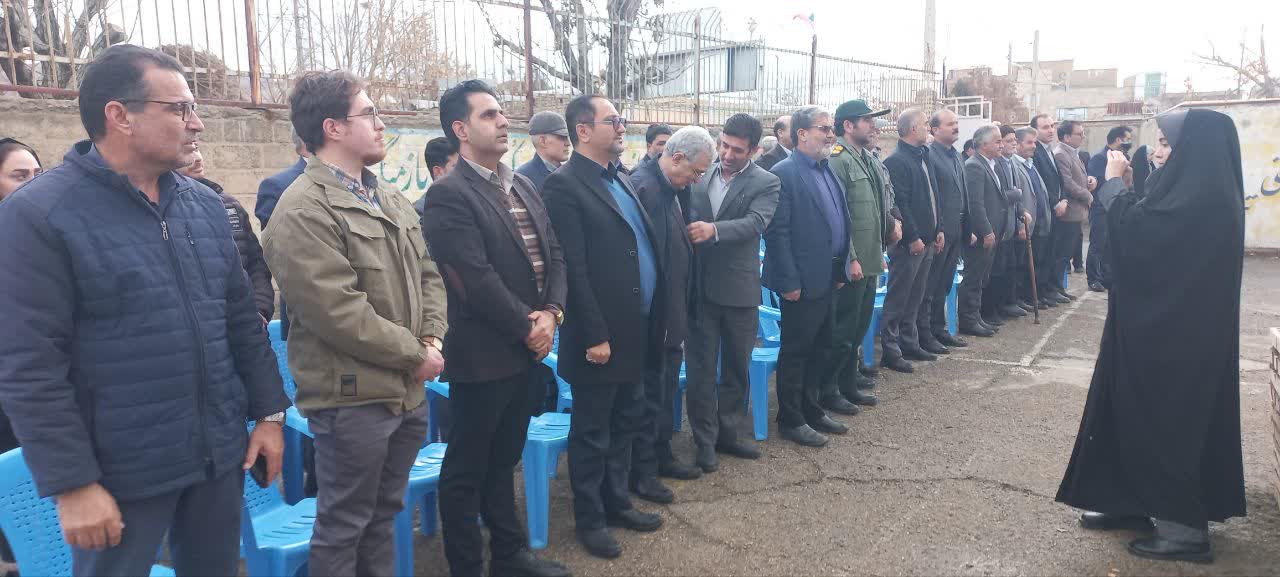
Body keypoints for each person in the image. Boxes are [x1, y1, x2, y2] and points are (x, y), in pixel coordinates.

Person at [0, 44, 289, 576]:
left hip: (216, 453)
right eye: (180, 108)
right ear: (120, 115)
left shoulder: (203, 205)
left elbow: (240, 322)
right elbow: (29, 365)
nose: (197, 123)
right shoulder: (40, 215)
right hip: (119, 472)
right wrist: (73, 483)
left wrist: (270, 414)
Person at [261, 70, 449, 576]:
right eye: (369, 113)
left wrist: (432, 337)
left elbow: (428, 272)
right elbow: (338, 313)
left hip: (404, 391)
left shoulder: (386, 196)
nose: (381, 124)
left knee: (384, 516)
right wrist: (417, 354)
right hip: (353, 400)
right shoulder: (302, 210)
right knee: (344, 526)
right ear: (333, 127)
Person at [1057, 109, 1246, 563]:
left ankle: (1183, 529)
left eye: (1166, 144)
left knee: (1165, 420)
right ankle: (1130, 500)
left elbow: (1141, 236)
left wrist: (1114, 186)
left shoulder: (1206, 198)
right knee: (1125, 409)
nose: (1158, 152)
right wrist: (1128, 188)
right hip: (1153, 330)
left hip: (1176, 343)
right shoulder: (1192, 188)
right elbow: (1147, 222)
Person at [423, 80, 570, 577]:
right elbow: (472, 278)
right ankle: (467, 565)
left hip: (528, 349)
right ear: (461, 129)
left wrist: (552, 312)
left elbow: (553, 253)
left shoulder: (521, 184)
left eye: (502, 112)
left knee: (504, 457)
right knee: (466, 467)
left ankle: (509, 555)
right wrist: (528, 327)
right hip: (484, 354)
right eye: (488, 114)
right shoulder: (448, 194)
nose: (503, 120)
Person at [542, 94, 665, 559]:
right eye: (613, 120)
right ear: (583, 130)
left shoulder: (620, 178)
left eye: (622, 120)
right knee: (593, 431)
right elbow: (572, 268)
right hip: (600, 336)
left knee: (627, 419)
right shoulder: (564, 186)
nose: (622, 126)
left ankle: (618, 503)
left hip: (636, 326)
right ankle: (590, 520)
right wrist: (594, 334)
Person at [684, 113, 779, 470]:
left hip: (739, 290)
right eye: (723, 145)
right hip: (699, 290)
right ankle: (704, 440)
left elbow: (756, 222)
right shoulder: (701, 174)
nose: (727, 154)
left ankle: (729, 433)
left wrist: (714, 230)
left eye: (737, 150)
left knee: (737, 367)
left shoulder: (766, 182)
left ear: (753, 150)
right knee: (701, 369)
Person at [628, 126, 714, 501]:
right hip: (654, 318)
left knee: (663, 393)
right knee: (649, 397)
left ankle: (661, 455)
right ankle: (643, 472)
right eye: (695, 171)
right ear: (676, 158)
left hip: (674, 312)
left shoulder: (675, 189)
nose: (697, 180)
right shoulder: (644, 189)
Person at [761, 105, 852, 448]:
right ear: (801, 134)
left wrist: (841, 267)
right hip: (800, 281)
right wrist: (789, 283)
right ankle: (791, 418)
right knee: (796, 351)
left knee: (821, 346)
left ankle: (812, 409)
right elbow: (777, 233)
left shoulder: (827, 169)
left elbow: (838, 221)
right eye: (823, 129)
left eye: (831, 128)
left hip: (827, 276)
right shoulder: (784, 173)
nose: (831, 134)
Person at [820, 99, 894, 416]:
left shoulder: (864, 157)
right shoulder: (838, 159)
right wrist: (850, 257)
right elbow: (838, 215)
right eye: (867, 120)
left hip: (870, 257)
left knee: (857, 328)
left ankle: (848, 384)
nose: (873, 125)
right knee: (843, 331)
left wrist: (882, 246)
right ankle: (829, 390)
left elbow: (875, 207)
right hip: (853, 262)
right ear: (848, 125)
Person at [178, 149, 275, 322]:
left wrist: (260, 309)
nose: (198, 158)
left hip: (245, 323)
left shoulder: (230, 205)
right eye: (189, 150)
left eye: (197, 148)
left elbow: (257, 264)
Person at [880, 108, 943, 373]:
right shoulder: (897, 161)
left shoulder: (923, 156)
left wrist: (938, 229)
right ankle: (891, 350)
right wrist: (912, 237)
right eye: (925, 124)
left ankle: (910, 342)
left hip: (928, 240)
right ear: (913, 129)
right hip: (910, 245)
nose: (929, 127)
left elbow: (932, 196)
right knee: (898, 298)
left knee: (916, 297)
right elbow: (901, 203)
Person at [922, 109, 971, 352]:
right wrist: (938, 228)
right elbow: (932, 196)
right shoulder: (930, 155)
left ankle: (939, 329)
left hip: (957, 229)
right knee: (931, 285)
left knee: (944, 283)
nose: (955, 127)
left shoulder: (956, 155)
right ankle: (926, 333)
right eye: (950, 123)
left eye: (956, 122)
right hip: (941, 232)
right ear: (934, 129)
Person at [957, 125, 1006, 338]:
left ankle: (975, 316)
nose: (1001, 145)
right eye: (997, 141)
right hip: (980, 235)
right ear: (984, 144)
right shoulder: (974, 166)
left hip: (992, 232)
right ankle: (968, 319)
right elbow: (975, 204)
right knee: (973, 277)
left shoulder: (989, 164)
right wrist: (986, 230)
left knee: (981, 277)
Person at [985, 125, 1031, 323]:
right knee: (995, 271)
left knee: (1009, 267)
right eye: (1008, 140)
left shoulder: (1010, 163)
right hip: (999, 226)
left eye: (1014, 140)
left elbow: (1015, 195)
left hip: (1010, 224)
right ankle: (992, 308)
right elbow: (999, 195)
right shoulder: (995, 164)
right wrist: (1016, 194)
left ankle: (1006, 302)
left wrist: (1021, 212)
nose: (1013, 144)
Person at [1085, 126, 1132, 292]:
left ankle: (1106, 276)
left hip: (1115, 207)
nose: (1129, 143)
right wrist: (1114, 176)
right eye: (1127, 139)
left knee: (1109, 245)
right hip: (1100, 207)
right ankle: (1093, 278)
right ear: (1118, 139)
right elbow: (1097, 183)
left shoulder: (1124, 158)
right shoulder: (1099, 158)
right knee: (1097, 244)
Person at [1052, 120, 1094, 301]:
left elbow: (1077, 177)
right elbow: (1067, 183)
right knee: (1061, 254)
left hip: (1076, 213)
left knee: (1066, 254)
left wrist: (1089, 180)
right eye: (1079, 133)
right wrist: (1087, 195)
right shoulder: (1061, 154)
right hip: (1068, 213)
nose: (1082, 136)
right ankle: (1055, 288)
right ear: (1067, 137)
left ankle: (1059, 288)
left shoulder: (1072, 153)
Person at [1013, 127, 1053, 311]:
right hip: (1026, 223)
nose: (1034, 146)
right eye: (1029, 142)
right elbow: (1016, 199)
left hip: (1039, 222)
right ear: (1018, 144)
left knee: (1037, 262)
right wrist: (1020, 224)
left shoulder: (1031, 164)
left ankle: (1032, 296)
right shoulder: (1014, 165)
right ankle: (1022, 297)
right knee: (1022, 265)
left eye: (1034, 142)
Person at [1030, 114, 1067, 305]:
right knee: (1042, 255)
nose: (1051, 130)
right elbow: (1040, 184)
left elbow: (1058, 180)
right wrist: (1055, 202)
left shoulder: (1049, 150)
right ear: (1035, 131)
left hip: (1058, 209)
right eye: (1045, 127)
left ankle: (1050, 289)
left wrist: (1064, 199)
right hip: (1045, 211)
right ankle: (1041, 292)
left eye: (1052, 126)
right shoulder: (1035, 152)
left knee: (1053, 252)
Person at [516, 111, 572, 193]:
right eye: (562, 137)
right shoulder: (522, 179)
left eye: (567, 138)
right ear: (543, 141)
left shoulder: (570, 173)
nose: (568, 143)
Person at [413, 136, 460, 220]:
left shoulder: (465, 203)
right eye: (456, 167)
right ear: (438, 172)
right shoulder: (421, 212)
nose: (463, 171)